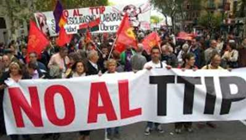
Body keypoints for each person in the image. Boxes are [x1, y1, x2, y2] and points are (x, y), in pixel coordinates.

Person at [0, 62, 32, 140]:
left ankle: (26, 136)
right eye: (11, 68)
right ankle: (14, 137)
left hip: (22, 103)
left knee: (24, 120)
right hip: (9, 104)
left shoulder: (25, 76)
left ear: (19, 69)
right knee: (12, 121)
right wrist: (5, 86)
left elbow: (30, 86)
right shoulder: (5, 75)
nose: (13, 70)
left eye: (15, 68)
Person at [143, 46, 166, 136]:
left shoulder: (163, 65)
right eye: (154, 53)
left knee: (159, 109)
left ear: (160, 54)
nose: (155, 55)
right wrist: (145, 71)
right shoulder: (147, 65)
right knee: (150, 109)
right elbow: (141, 78)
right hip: (149, 92)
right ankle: (149, 125)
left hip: (160, 91)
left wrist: (171, 70)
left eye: (157, 53)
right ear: (151, 54)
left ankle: (158, 124)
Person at [175, 53, 197, 134]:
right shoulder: (179, 68)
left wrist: (196, 73)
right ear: (186, 60)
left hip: (191, 91)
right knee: (180, 108)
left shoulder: (195, 68)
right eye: (192, 59)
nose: (194, 61)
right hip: (180, 92)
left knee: (190, 108)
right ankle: (178, 125)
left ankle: (188, 125)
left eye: (194, 59)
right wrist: (180, 72)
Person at [104, 59, 121, 139]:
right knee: (108, 116)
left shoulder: (119, 75)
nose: (112, 67)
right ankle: (109, 131)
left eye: (113, 65)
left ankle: (117, 130)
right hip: (107, 99)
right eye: (110, 65)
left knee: (118, 115)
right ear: (107, 67)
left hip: (117, 98)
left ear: (116, 66)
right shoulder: (104, 75)